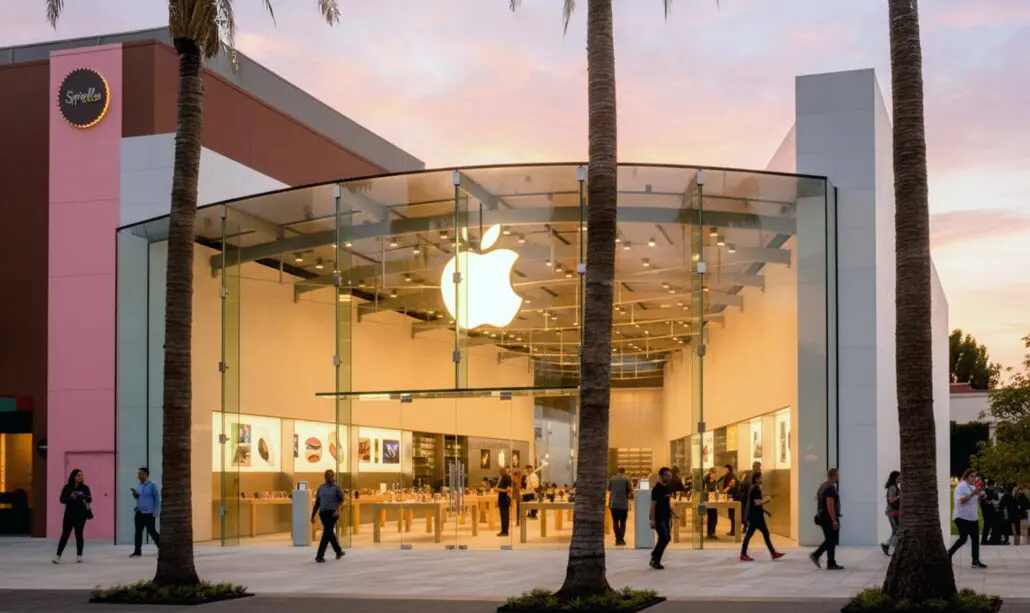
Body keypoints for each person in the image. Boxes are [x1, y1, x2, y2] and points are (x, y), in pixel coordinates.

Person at [739, 473, 784, 561]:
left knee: (753, 534)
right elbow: (757, 502)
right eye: (760, 477)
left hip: (754, 515)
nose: (762, 479)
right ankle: (772, 553)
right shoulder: (756, 489)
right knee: (758, 534)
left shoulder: (753, 488)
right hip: (756, 517)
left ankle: (772, 553)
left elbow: (755, 503)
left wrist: (767, 512)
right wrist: (767, 500)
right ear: (756, 478)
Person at [948, 468, 987, 568]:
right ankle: (948, 554)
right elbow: (962, 500)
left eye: (975, 476)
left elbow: (974, 500)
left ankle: (975, 560)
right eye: (971, 476)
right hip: (961, 517)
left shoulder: (972, 487)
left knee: (975, 539)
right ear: (966, 476)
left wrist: (980, 496)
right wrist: (972, 494)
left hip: (973, 517)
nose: (974, 478)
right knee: (963, 538)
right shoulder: (960, 487)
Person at [54, 469, 92, 564]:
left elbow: (90, 499)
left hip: (81, 515)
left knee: (79, 535)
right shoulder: (67, 487)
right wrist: (71, 497)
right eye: (78, 475)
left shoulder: (85, 488)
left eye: (82, 475)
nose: (81, 477)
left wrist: (82, 495)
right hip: (69, 515)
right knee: (65, 535)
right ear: (73, 476)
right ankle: (58, 555)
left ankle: (79, 555)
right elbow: (62, 499)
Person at [310, 469, 345, 563]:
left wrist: (337, 510)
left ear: (333, 476)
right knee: (329, 532)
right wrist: (312, 515)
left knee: (326, 533)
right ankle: (339, 551)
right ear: (325, 477)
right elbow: (317, 503)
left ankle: (319, 555)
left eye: (331, 476)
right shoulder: (321, 488)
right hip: (323, 513)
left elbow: (342, 500)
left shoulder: (337, 488)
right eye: (327, 476)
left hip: (333, 513)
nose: (329, 477)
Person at [811, 467, 843, 570]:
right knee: (831, 540)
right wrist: (834, 520)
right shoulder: (830, 488)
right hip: (828, 518)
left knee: (830, 540)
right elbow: (830, 505)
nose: (839, 476)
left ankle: (830, 562)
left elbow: (818, 500)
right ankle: (817, 555)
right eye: (838, 474)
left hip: (823, 516)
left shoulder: (823, 486)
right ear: (833, 475)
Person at [649, 467, 677, 570]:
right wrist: (652, 520)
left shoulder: (668, 487)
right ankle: (655, 560)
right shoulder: (656, 489)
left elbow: (669, 500)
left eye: (670, 475)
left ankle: (654, 555)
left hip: (666, 516)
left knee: (666, 538)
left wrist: (673, 512)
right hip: (658, 517)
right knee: (664, 537)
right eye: (667, 475)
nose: (669, 477)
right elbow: (653, 505)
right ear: (661, 476)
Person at [130, 467, 160, 558]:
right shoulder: (139, 485)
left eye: (140, 473)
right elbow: (139, 497)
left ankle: (162, 547)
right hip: (139, 512)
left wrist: (155, 512)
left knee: (152, 531)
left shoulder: (152, 485)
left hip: (149, 513)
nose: (138, 475)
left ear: (146, 474)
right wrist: (136, 495)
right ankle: (137, 551)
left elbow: (157, 499)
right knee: (138, 532)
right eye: (138, 473)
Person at [609, 467, 632, 546]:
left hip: (614, 503)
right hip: (623, 504)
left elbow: (609, 489)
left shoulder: (612, 478)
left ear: (618, 471)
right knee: (623, 522)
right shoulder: (627, 479)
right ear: (624, 471)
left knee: (615, 522)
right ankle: (621, 539)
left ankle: (617, 539)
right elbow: (630, 491)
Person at [881, 471, 901, 556]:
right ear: (895, 478)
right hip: (893, 511)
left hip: (891, 511)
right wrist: (900, 496)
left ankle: (887, 545)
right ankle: (891, 549)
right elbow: (891, 500)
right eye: (899, 477)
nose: (901, 479)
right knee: (897, 530)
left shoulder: (894, 487)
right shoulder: (893, 487)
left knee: (894, 530)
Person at [721, 464, 739, 537]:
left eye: (724, 469)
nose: (723, 470)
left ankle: (733, 531)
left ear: (727, 469)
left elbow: (732, 482)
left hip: (732, 496)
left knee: (732, 514)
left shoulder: (729, 475)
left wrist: (725, 490)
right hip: (733, 496)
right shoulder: (731, 474)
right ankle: (733, 530)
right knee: (732, 514)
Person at [980, 480, 1000, 545]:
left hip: (992, 511)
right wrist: (991, 501)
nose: (994, 486)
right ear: (991, 485)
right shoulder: (985, 492)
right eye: (993, 485)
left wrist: (992, 502)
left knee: (994, 525)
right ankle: (984, 540)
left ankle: (992, 539)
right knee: (987, 526)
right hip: (986, 512)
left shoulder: (993, 492)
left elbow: (996, 500)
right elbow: (984, 501)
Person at [703, 467, 719, 539]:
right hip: (707, 500)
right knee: (710, 516)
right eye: (714, 473)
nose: (715, 475)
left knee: (714, 516)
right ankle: (709, 533)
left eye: (716, 474)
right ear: (710, 473)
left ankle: (713, 532)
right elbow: (705, 490)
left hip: (714, 501)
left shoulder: (715, 481)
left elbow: (717, 489)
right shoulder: (705, 480)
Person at [496, 467, 513, 537]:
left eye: (501, 471)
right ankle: (503, 531)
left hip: (505, 499)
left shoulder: (508, 478)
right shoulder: (502, 478)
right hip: (501, 499)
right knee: (502, 516)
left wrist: (497, 489)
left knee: (505, 516)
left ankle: (505, 532)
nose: (500, 473)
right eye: (499, 471)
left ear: (505, 471)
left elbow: (508, 490)